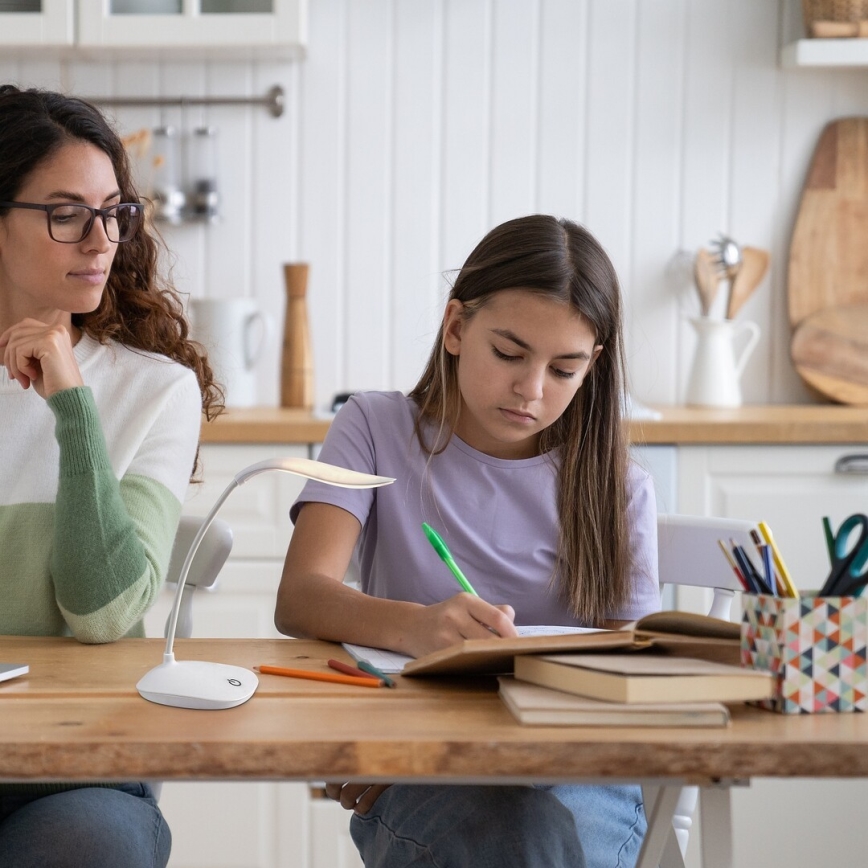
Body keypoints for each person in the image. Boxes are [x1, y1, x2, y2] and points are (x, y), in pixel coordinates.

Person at [275, 214, 660, 868]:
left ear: (593, 366)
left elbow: (630, 682)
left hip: (576, 772)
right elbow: (301, 596)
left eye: (564, 369)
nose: (531, 390)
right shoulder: (372, 426)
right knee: (512, 838)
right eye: (509, 354)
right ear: (456, 328)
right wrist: (418, 628)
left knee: (536, 835)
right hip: (422, 761)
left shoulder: (617, 486)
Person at [0, 84, 222, 867]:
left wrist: (74, 409)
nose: (101, 241)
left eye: (113, 212)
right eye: (67, 213)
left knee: (90, 847)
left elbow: (103, 612)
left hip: (76, 772)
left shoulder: (157, 390)